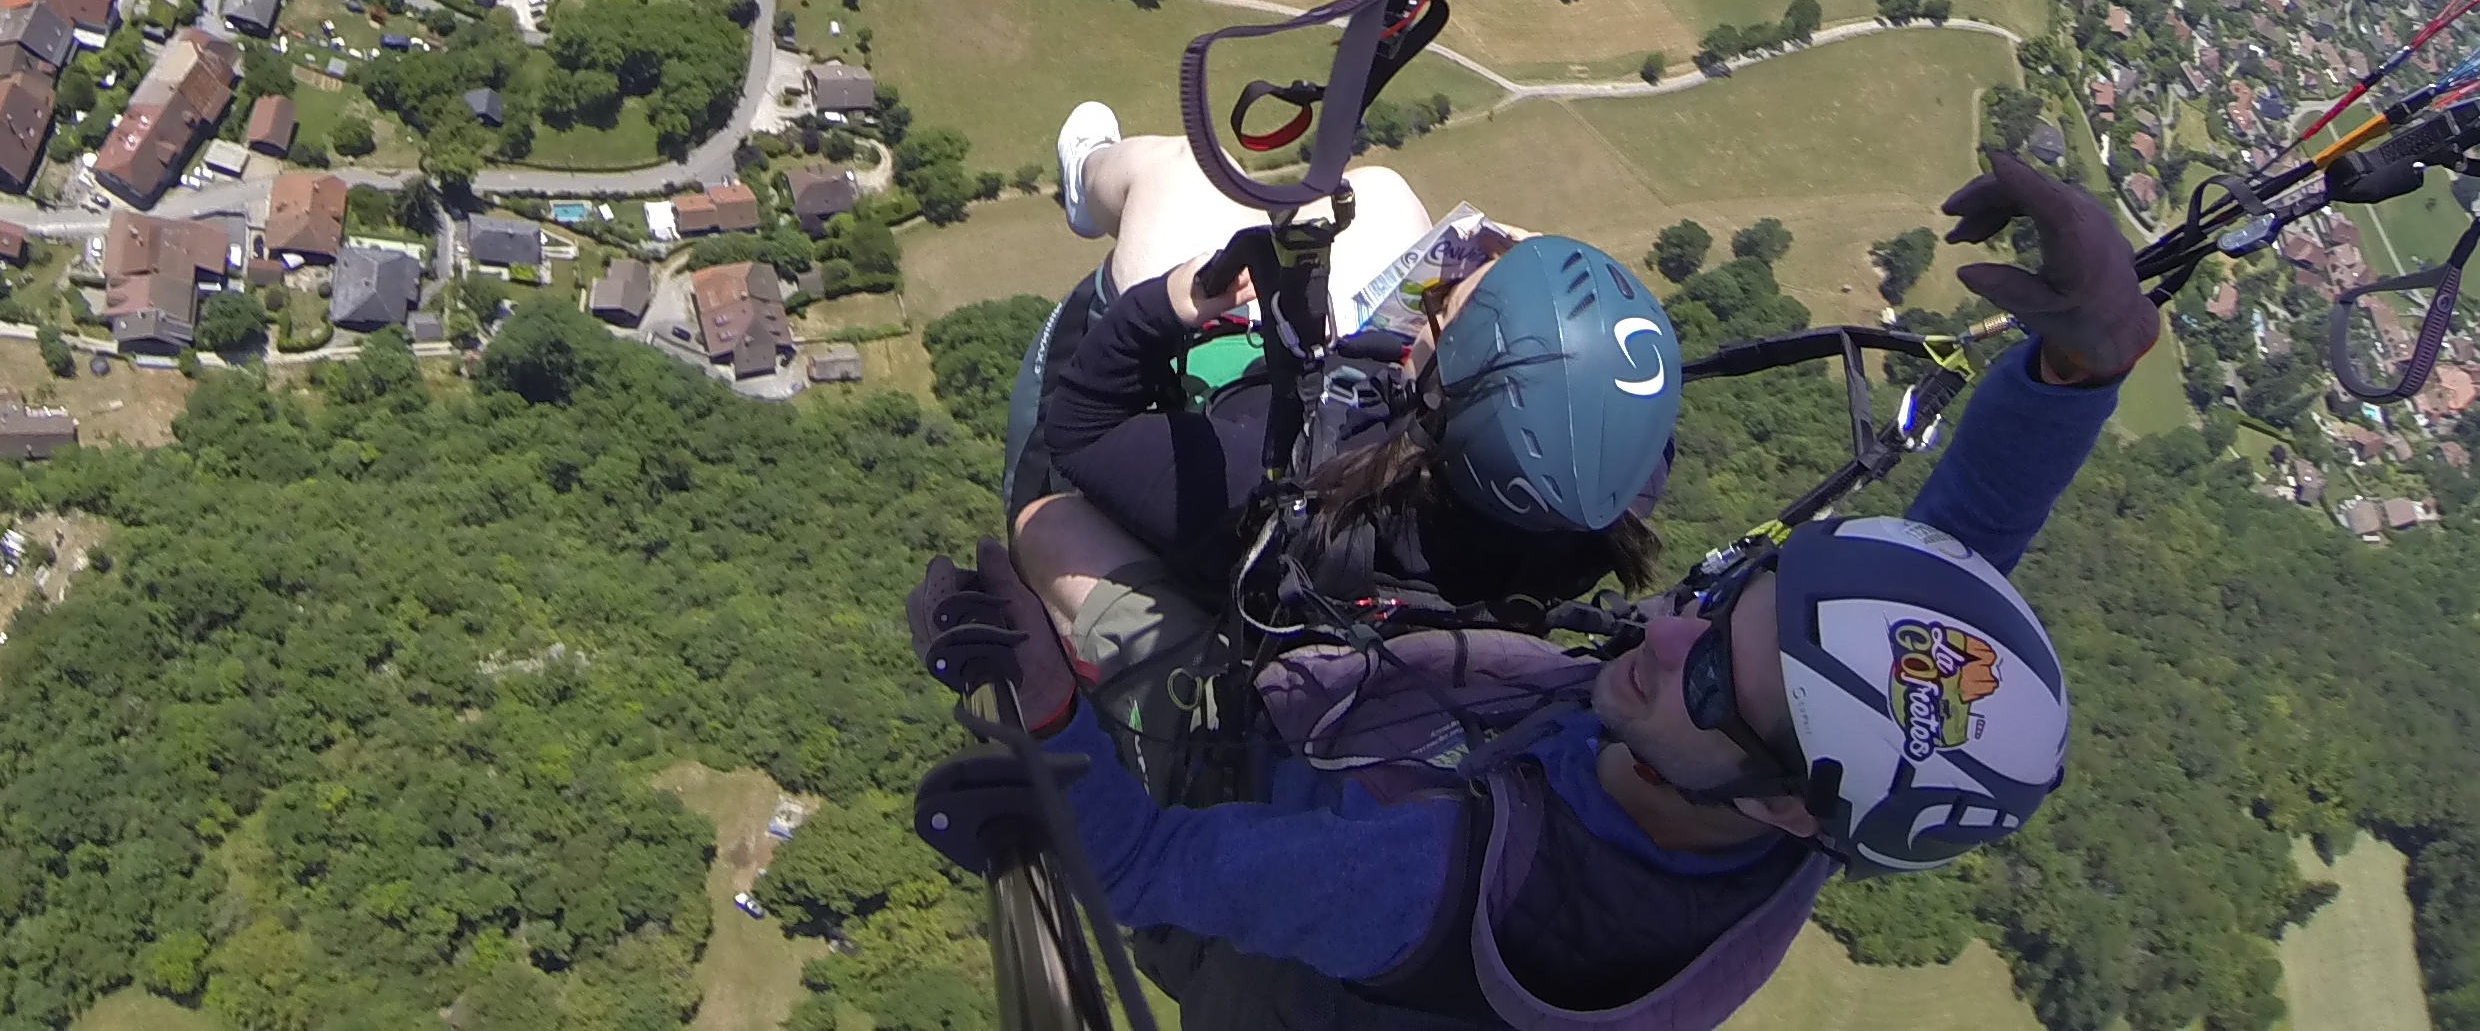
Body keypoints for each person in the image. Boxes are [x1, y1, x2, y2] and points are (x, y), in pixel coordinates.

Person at [915, 146, 2159, 1031]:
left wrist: (1040, 708)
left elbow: (1137, 869)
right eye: (1732, 599)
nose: (1672, 626)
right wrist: (2074, 372)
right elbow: (1945, 568)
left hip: (1273, 829)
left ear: (1787, 813)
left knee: (1051, 522)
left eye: (1714, 671)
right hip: (1428, 719)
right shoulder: (1815, 769)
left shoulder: (1438, 890)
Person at [1014, 106, 1687, 700]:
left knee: (1177, 173)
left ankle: (1091, 174)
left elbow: (1081, 430)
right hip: (1362, 415)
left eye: (1441, 299)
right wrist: (1532, 275)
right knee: (1382, 192)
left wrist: (1164, 306)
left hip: (1245, 414)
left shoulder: (1274, 483)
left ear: (1434, 380)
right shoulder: (1596, 497)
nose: (1452, 269)